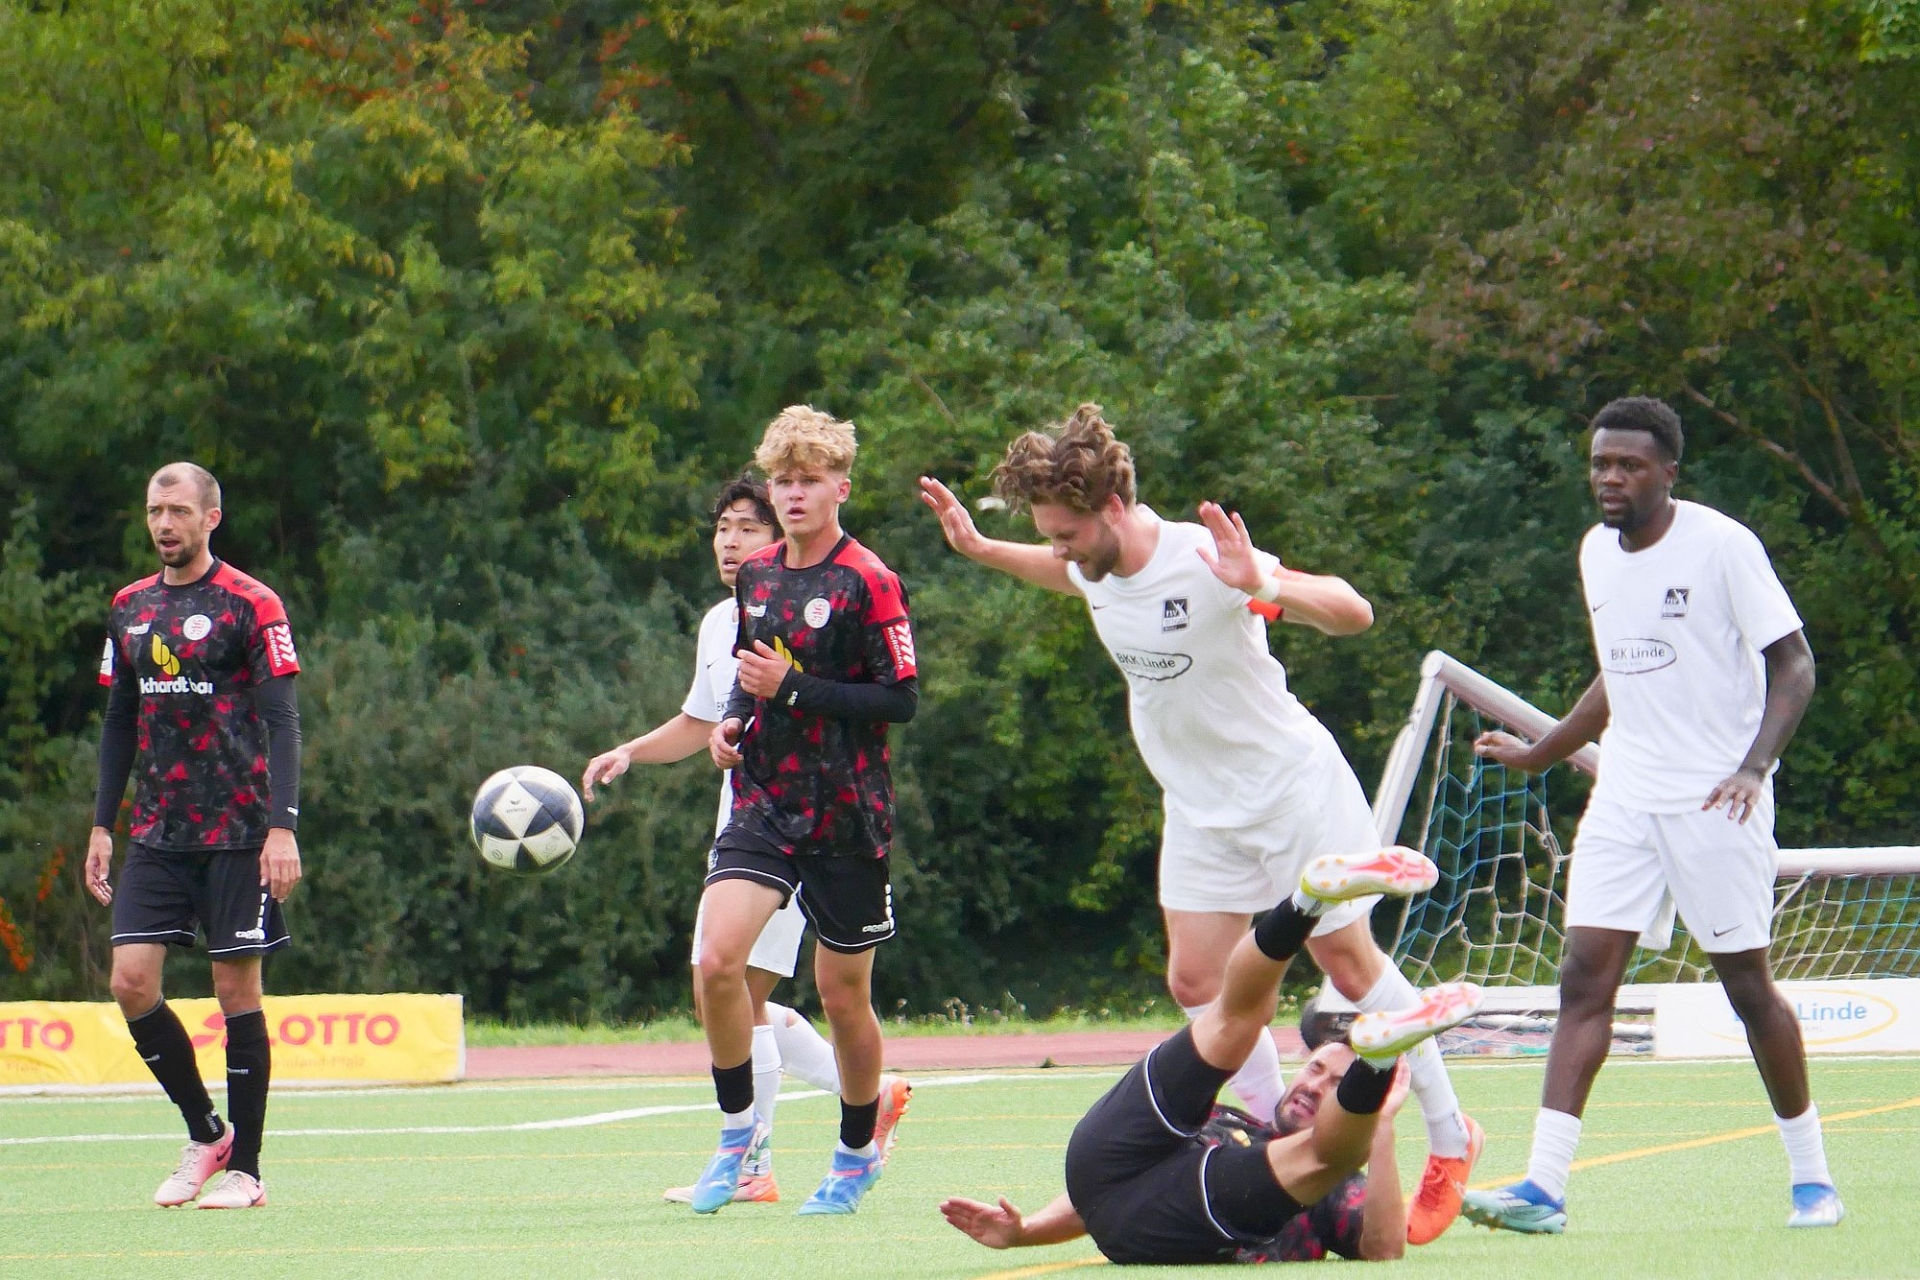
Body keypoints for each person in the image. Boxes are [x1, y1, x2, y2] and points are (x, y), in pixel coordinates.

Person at [920, 404, 1482, 1243]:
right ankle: (1274, 1132)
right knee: (1196, 984)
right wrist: (983, 549)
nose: (1059, 550)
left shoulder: (1201, 558)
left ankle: (1452, 1137)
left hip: (1287, 787)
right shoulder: (1092, 563)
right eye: (1049, 536)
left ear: (1113, 508)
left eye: (1066, 533)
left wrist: (1264, 582)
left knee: (1345, 962)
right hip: (1198, 806)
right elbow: (1067, 574)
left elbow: (1353, 611)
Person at [1467, 395, 1841, 1232]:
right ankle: (1544, 1188)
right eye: (1601, 463)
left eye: (1629, 465)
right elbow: (1618, 675)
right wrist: (1541, 752)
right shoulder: (1595, 553)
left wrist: (1753, 768)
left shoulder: (1722, 546)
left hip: (1716, 799)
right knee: (1582, 978)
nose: (1611, 478)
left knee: (1747, 988)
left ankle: (1814, 1179)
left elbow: (1796, 665)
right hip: (1625, 796)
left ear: (1669, 472)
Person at [584, 474, 900, 1204]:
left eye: (746, 527)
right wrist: (633, 750)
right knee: (721, 986)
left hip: (828, 818)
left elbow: (891, 695)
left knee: (761, 991)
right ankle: (835, 1109)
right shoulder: (722, 618)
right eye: (723, 527)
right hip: (751, 818)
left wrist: (790, 688)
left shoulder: (845, 588)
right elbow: (703, 721)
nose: (731, 541)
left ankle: (764, 1159)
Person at [940, 846, 1483, 1264]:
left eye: (1336, 1087)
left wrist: (1379, 1126)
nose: (1314, 1086)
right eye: (1316, 1069)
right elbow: (1100, 1194)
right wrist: (1027, 1232)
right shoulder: (1227, 1116)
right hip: (1105, 1171)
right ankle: (1307, 904)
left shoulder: (1332, 1189)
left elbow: (1383, 1249)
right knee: (1233, 1018)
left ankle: (1372, 1049)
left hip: (1162, 1217)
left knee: (1323, 1149)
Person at [686, 406, 919, 1216]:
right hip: (763, 802)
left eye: (808, 481)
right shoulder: (756, 576)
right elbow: (748, 677)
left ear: (839, 489)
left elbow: (899, 700)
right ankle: (737, 1140)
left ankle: (855, 1153)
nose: (792, 494)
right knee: (717, 963)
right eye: (782, 480)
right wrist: (730, 726)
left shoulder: (869, 581)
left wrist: (794, 690)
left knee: (843, 996)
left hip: (846, 815)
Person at [85, 463, 304, 1210]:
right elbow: (119, 723)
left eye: (178, 510)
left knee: (235, 989)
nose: (164, 524)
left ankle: (247, 1169)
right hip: (158, 830)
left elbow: (283, 723)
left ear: (212, 517)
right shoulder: (129, 607)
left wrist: (282, 828)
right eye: (155, 510)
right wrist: (102, 825)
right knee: (130, 981)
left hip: (240, 832)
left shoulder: (252, 603)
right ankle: (206, 1133)